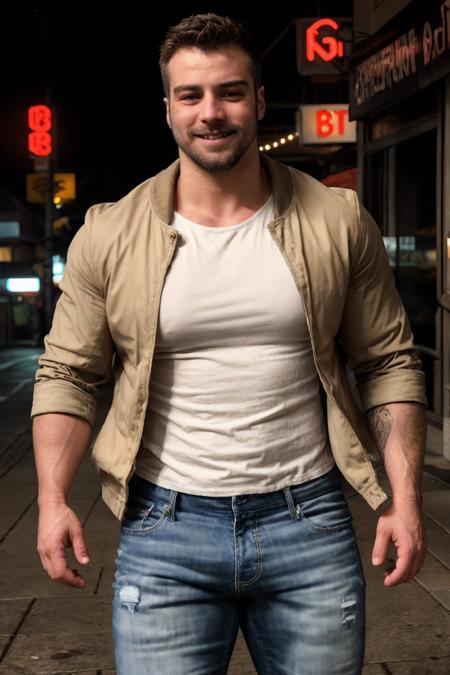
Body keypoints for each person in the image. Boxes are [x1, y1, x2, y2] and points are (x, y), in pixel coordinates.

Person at [31, 13, 428, 675]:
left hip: (310, 522)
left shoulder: (337, 220)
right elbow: (69, 373)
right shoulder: (109, 233)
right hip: (165, 531)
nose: (210, 112)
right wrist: (51, 502)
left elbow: (387, 361)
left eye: (230, 92)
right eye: (191, 95)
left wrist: (405, 501)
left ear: (260, 100)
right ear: (168, 109)